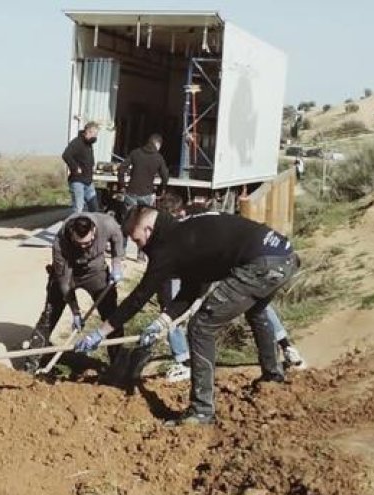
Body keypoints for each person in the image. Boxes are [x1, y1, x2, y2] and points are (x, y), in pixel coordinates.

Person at [75, 207, 300, 426]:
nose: (140, 247)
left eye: (137, 240)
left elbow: (138, 297)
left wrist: (100, 332)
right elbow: (192, 289)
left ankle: (201, 411)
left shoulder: (168, 247)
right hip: (283, 256)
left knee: (200, 327)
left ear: (148, 230)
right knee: (256, 310)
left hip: (262, 264)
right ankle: (273, 376)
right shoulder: (187, 233)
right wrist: (161, 322)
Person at [154, 194, 307, 380]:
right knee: (258, 308)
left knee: (201, 325)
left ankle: (188, 370)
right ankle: (282, 357)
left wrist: (173, 311)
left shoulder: (186, 232)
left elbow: (193, 278)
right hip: (259, 257)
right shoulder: (200, 217)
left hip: (239, 263)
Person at [21, 212, 125, 372]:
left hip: (96, 273)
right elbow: (64, 284)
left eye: (88, 243)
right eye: (79, 244)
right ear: (71, 234)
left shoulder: (107, 224)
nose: (84, 247)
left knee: (111, 314)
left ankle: (118, 365)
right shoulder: (60, 243)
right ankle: (31, 363)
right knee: (50, 314)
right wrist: (75, 312)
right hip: (69, 274)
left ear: (94, 231)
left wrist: (117, 264)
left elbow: (117, 237)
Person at [117, 133, 171, 214]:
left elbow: (121, 168)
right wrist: (161, 189)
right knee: (143, 218)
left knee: (129, 217)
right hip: (147, 193)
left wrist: (122, 185)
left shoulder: (135, 153)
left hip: (132, 191)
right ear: (158, 144)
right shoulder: (158, 158)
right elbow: (165, 176)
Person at [62, 121, 100, 213]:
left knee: (94, 208)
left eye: (96, 134)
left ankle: (92, 222)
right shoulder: (77, 142)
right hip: (78, 181)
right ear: (88, 131)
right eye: (94, 134)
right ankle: (76, 222)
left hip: (88, 182)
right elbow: (66, 155)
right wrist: (75, 167)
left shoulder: (89, 144)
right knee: (78, 208)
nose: (95, 137)